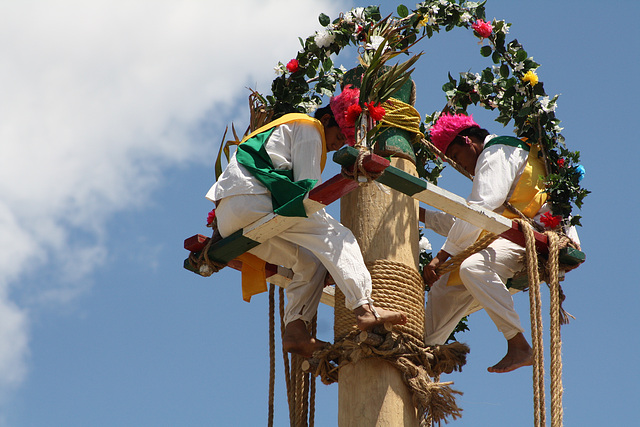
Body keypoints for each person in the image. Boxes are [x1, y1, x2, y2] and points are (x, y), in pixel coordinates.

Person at [206, 90, 407, 358]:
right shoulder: (309, 126)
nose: (336, 145)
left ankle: (296, 334)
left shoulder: (281, 129)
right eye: (338, 137)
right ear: (325, 119)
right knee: (338, 237)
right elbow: (306, 189)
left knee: (309, 261)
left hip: (231, 218)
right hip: (256, 200)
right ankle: (365, 308)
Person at [422, 113, 578, 373]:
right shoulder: (503, 155)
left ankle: (518, 345)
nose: (461, 167)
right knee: (443, 289)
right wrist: (420, 215)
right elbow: (473, 219)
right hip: (511, 236)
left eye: (457, 157)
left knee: (473, 268)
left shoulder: (497, 152)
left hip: (537, 238)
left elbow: (482, 207)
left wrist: (442, 256)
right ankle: (422, 355)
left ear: (468, 140)